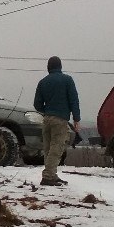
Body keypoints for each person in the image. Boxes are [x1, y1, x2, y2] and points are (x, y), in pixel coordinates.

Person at [33, 55, 80, 187]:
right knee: (57, 147)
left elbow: (37, 104)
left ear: (48, 67)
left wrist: (47, 111)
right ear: (60, 66)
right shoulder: (67, 80)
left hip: (47, 119)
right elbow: (74, 100)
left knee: (48, 148)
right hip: (60, 120)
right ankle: (48, 176)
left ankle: (51, 174)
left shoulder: (42, 82)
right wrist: (76, 119)